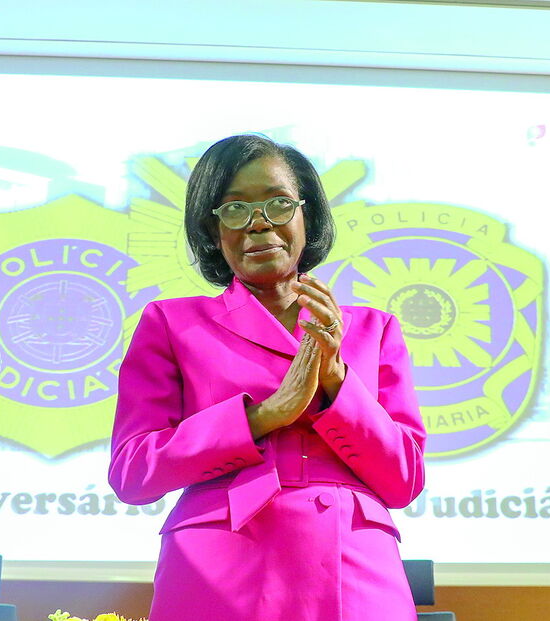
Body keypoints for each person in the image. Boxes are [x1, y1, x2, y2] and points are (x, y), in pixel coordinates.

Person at [108, 135, 426, 620]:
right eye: (234, 208)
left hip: (355, 568)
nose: (259, 224)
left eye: (278, 203)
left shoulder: (373, 328)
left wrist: (337, 380)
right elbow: (133, 473)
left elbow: (404, 480)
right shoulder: (171, 323)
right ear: (213, 231)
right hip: (220, 565)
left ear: (307, 216)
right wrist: (263, 417)